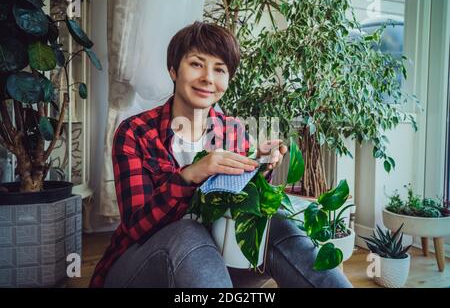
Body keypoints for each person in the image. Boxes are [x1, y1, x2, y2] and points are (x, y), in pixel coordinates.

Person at [90, 21, 352, 288]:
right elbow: (137, 227)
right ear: (173, 70)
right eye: (196, 64)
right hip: (141, 267)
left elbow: (241, 209)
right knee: (188, 231)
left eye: (220, 69)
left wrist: (259, 164)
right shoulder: (135, 133)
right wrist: (191, 175)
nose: (208, 78)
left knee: (278, 225)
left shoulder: (234, 131)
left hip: (214, 268)